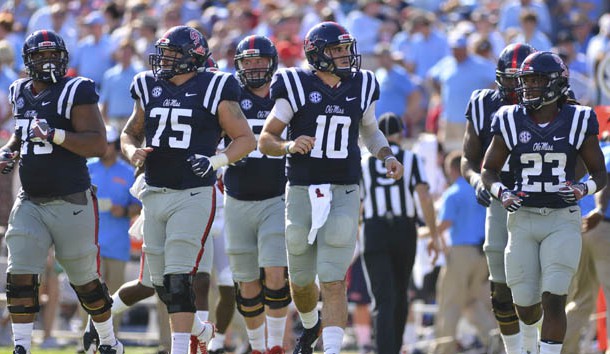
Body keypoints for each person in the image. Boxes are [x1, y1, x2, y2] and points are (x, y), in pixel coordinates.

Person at [259, 21, 404, 354]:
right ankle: (310, 326)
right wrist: (288, 145)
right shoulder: (294, 84)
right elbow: (266, 139)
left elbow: (370, 131)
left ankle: (333, 349)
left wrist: (386, 155)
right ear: (317, 54)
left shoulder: (363, 84)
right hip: (301, 187)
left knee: (333, 277)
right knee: (301, 280)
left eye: (344, 49)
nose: (344, 55)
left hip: (344, 187)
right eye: (336, 50)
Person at [120, 25, 256, 354]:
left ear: (191, 58)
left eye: (171, 55)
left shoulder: (215, 87)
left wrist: (215, 160)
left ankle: (183, 347)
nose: (163, 60)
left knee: (180, 277)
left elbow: (246, 140)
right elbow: (128, 134)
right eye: (162, 53)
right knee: (159, 282)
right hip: (154, 191)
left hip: (194, 192)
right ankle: (199, 327)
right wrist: (131, 152)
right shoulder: (148, 85)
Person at [0, 30, 123, 354]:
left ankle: (109, 340)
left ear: (64, 56)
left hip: (71, 200)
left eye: (52, 54)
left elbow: (97, 142)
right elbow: (22, 135)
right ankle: (22, 346)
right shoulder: (19, 90)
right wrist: (9, 150)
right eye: (40, 56)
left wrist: (55, 134)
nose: (47, 61)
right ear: (28, 61)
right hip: (30, 200)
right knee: (20, 273)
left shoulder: (76, 89)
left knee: (85, 281)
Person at [482, 51, 608, 354]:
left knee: (555, 297)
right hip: (522, 218)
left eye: (537, 80)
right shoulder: (509, 119)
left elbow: (600, 173)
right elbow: (489, 170)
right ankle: (529, 345)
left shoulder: (579, 118)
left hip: (562, 217)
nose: (529, 87)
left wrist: (583, 189)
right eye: (527, 81)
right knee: (524, 304)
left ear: (555, 83)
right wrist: (502, 192)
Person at [461, 43, 537, 354]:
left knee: (540, 285)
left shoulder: (554, 105)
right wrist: (477, 180)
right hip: (500, 197)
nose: (518, 87)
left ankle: (535, 346)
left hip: (541, 199)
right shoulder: (482, 103)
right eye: (510, 78)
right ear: (498, 77)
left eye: (525, 79)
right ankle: (514, 349)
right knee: (500, 283)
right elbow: (467, 159)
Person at [223, 35, 290, 354]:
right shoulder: (229, 97)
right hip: (236, 198)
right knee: (246, 282)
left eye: (259, 60)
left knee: (276, 273)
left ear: (272, 62)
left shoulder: (286, 95)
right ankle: (258, 347)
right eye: (247, 61)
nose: (253, 67)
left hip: (276, 197)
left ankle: (277, 344)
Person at [360, 112, 439, 354]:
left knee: (382, 297)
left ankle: (385, 349)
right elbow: (424, 197)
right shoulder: (411, 158)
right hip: (404, 230)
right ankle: (393, 348)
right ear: (401, 134)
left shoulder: (365, 162)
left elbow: (356, 203)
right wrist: (434, 235)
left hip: (374, 229)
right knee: (400, 291)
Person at [432, 150, 496, 354]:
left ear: (452, 169)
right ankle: (497, 343)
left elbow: (444, 224)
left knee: (449, 303)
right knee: (473, 302)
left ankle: (444, 348)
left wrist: (426, 233)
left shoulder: (453, 193)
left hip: (461, 252)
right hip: (483, 254)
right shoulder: (481, 190)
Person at [562, 134, 610, 354]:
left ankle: (557, 349)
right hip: (603, 226)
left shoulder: (591, 153)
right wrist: (600, 209)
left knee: (582, 299)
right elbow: (605, 184)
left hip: (582, 228)